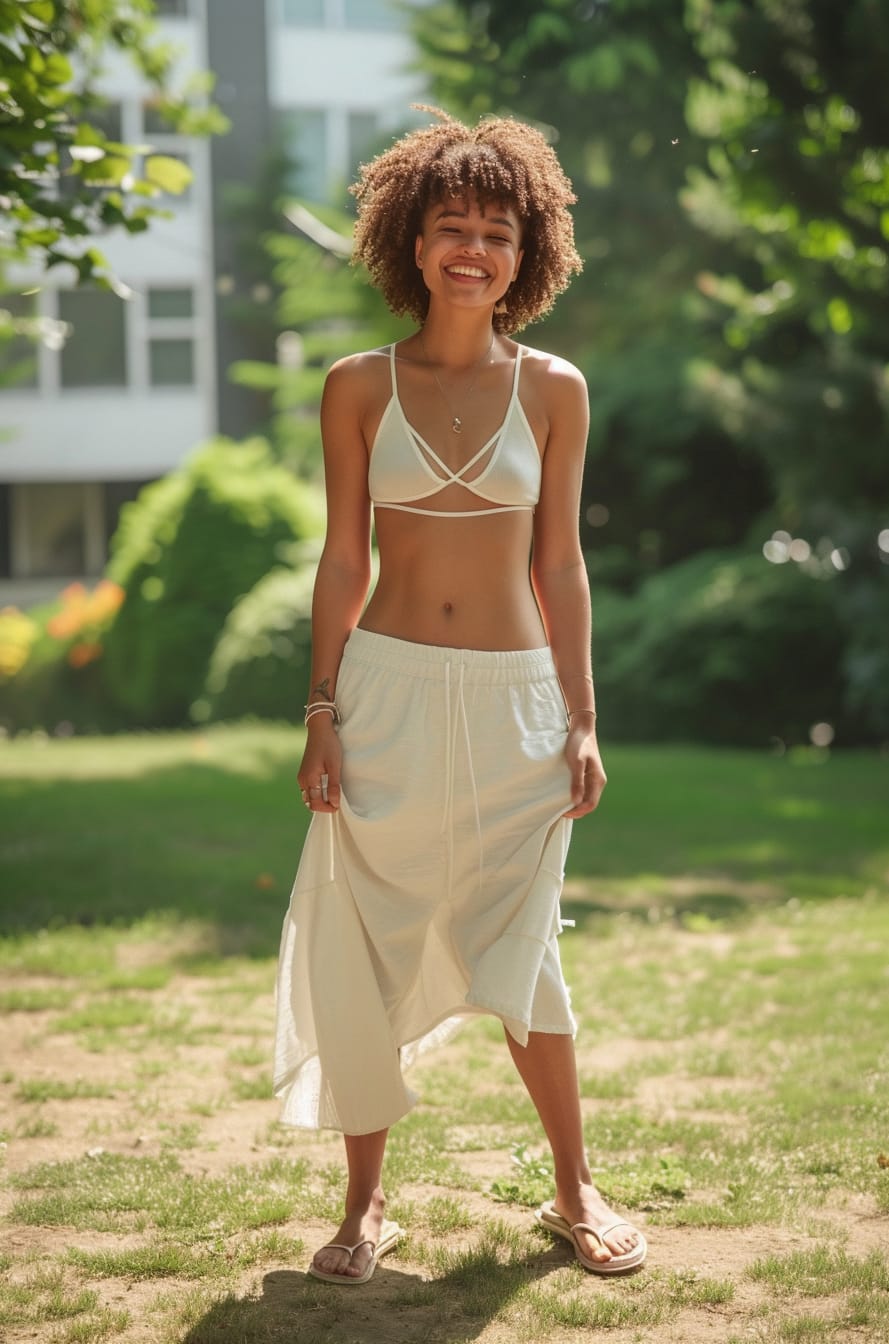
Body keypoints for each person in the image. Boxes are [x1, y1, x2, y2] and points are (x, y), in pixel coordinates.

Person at [273, 108, 647, 1284]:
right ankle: (362, 1206)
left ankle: (574, 1187)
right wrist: (321, 710)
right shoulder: (353, 385)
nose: (471, 248)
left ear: (526, 248)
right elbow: (343, 560)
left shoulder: (554, 389)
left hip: (515, 704)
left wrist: (582, 718)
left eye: (495, 229)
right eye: (451, 227)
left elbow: (560, 567)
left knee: (524, 949)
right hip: (381, 694)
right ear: (410, 241)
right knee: (364, 941)